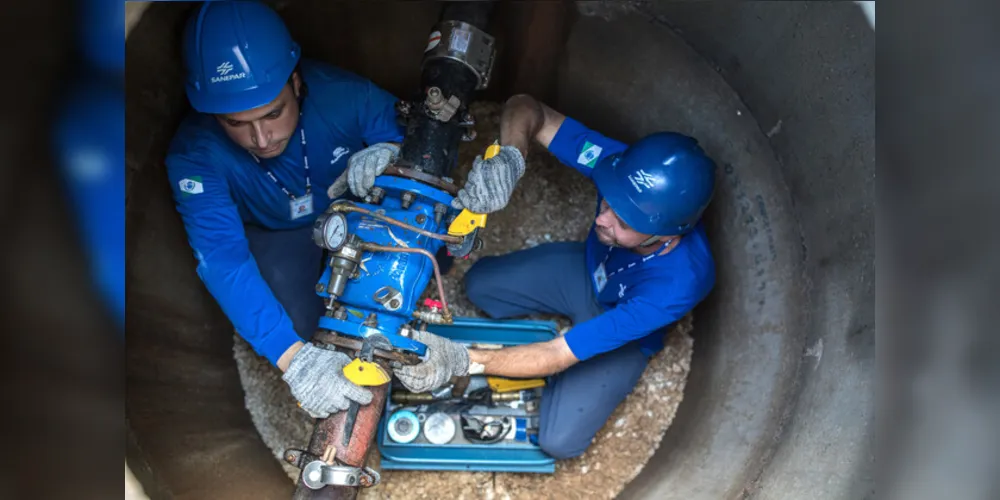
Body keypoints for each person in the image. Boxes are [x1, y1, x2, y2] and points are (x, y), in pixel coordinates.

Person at [348, 94, 717, 459]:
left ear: (667, 235)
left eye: (624, 222)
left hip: (623, 320)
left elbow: (558, 352)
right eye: (608, 201)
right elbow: (528, 108)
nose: (603, 218)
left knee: (559, 442)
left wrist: (463, 360)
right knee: (480, 285)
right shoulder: (622, 173)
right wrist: (511, 157)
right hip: (587, 271)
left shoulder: (677, 285)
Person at [165, 1, 408, 419]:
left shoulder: (345, 95)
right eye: (235, 123)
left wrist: (393, 154)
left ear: (296, 82)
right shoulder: (195, 156)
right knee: (304, 331)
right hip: (277, 233)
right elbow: (223, 259)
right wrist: (293, 357)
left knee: (408, 276)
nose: (261, 138)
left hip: (353, 209)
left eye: (273, 113)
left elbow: (417, 150)